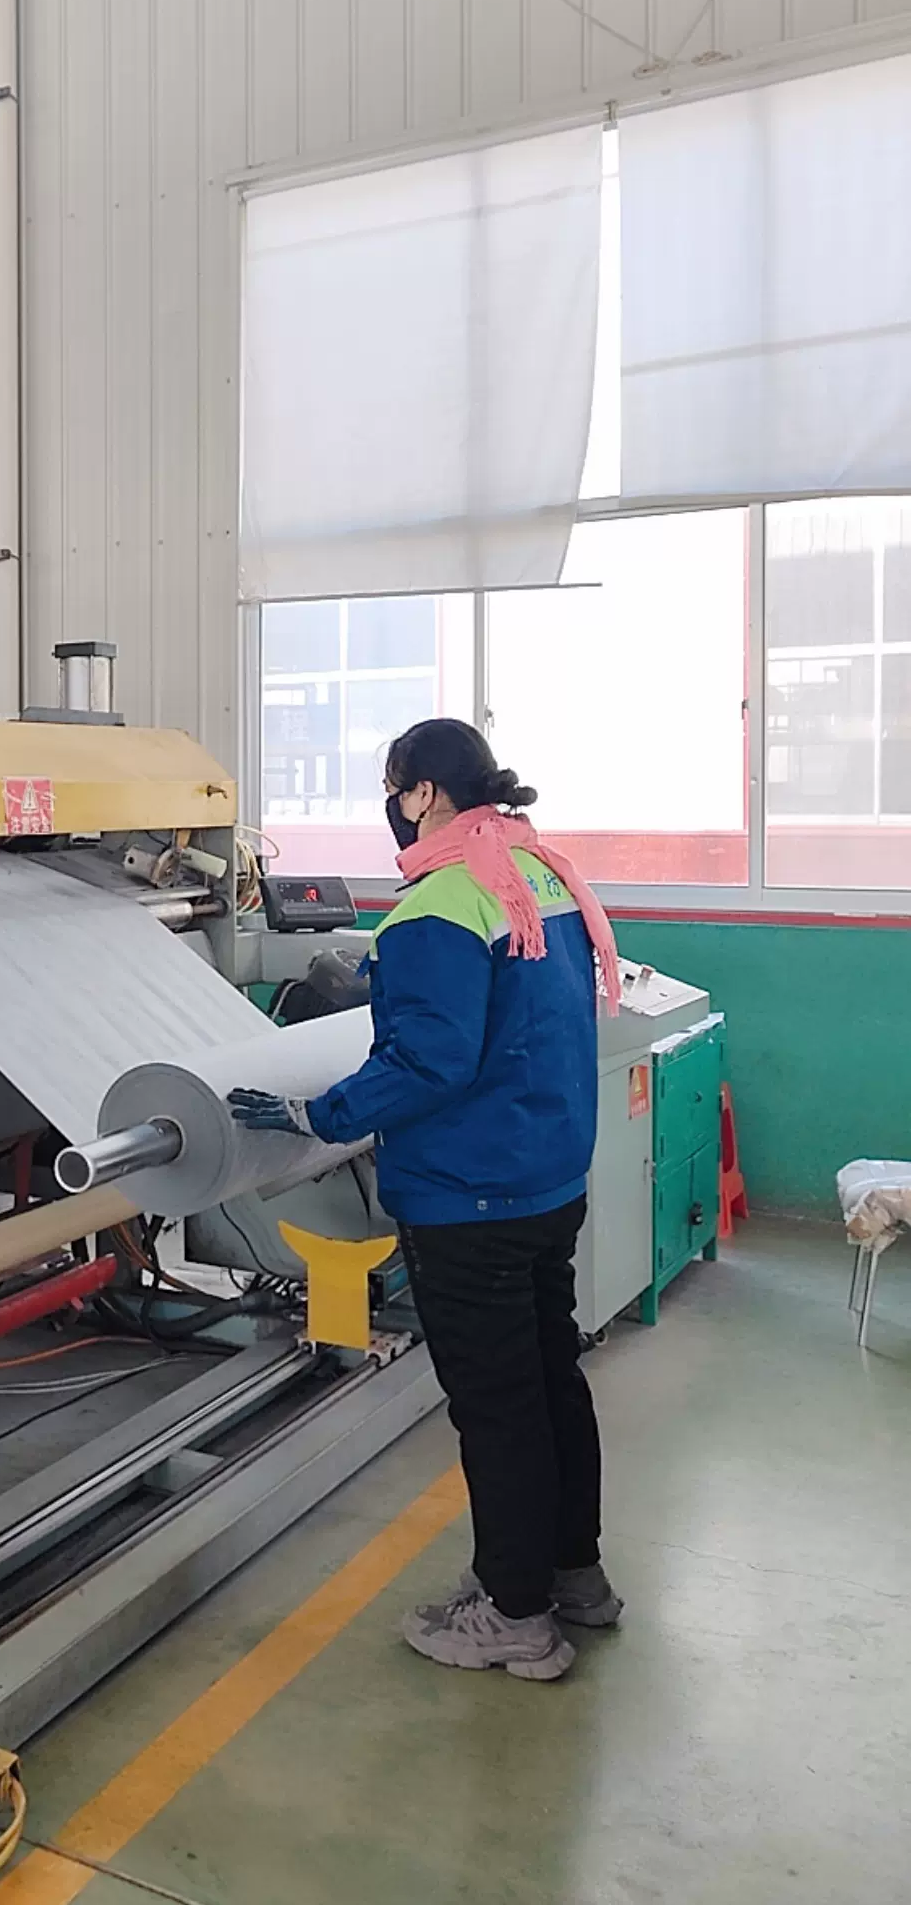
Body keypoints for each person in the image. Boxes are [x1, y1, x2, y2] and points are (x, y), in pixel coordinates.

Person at [228, 718, 625, 1682]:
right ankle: (573, 1576)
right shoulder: (540, 875)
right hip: (546, 1178)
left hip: (469, 1195)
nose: (391, 805)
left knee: (498, 1408)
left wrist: (320, 1115)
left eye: (393, 785)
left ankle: (516, 1615)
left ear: (424, 794)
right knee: (550, 1381)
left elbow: (429, 1061)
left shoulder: (438, 905)